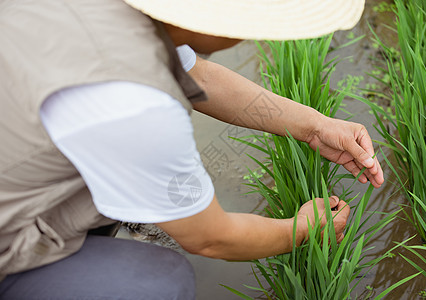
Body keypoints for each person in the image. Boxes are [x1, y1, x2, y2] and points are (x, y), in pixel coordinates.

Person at [0, 0, 383, 298]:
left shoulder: (119, 18)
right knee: (160, 282)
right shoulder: (138, 104)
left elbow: (197, 74)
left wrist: (316, 127)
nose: (253, 35)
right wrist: (302, 230)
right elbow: (210, 237)